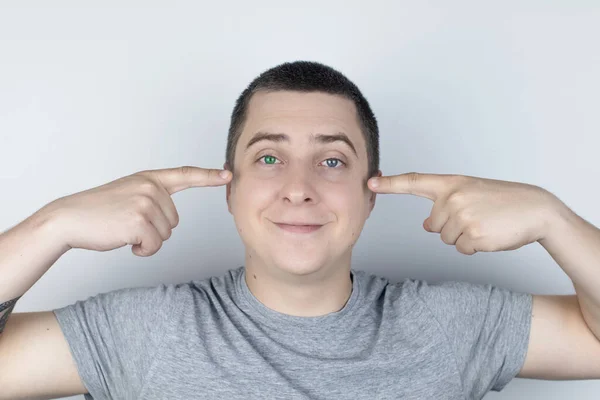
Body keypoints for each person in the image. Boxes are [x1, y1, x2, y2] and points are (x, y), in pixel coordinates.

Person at [1, 61, 599, 400]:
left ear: (373, 193)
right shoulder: (139, 332)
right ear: (229, 189)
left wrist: (553, 218)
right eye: (268, 157)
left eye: (333, 159)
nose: (299, 185)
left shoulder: (450, 326)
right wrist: (53, 225)